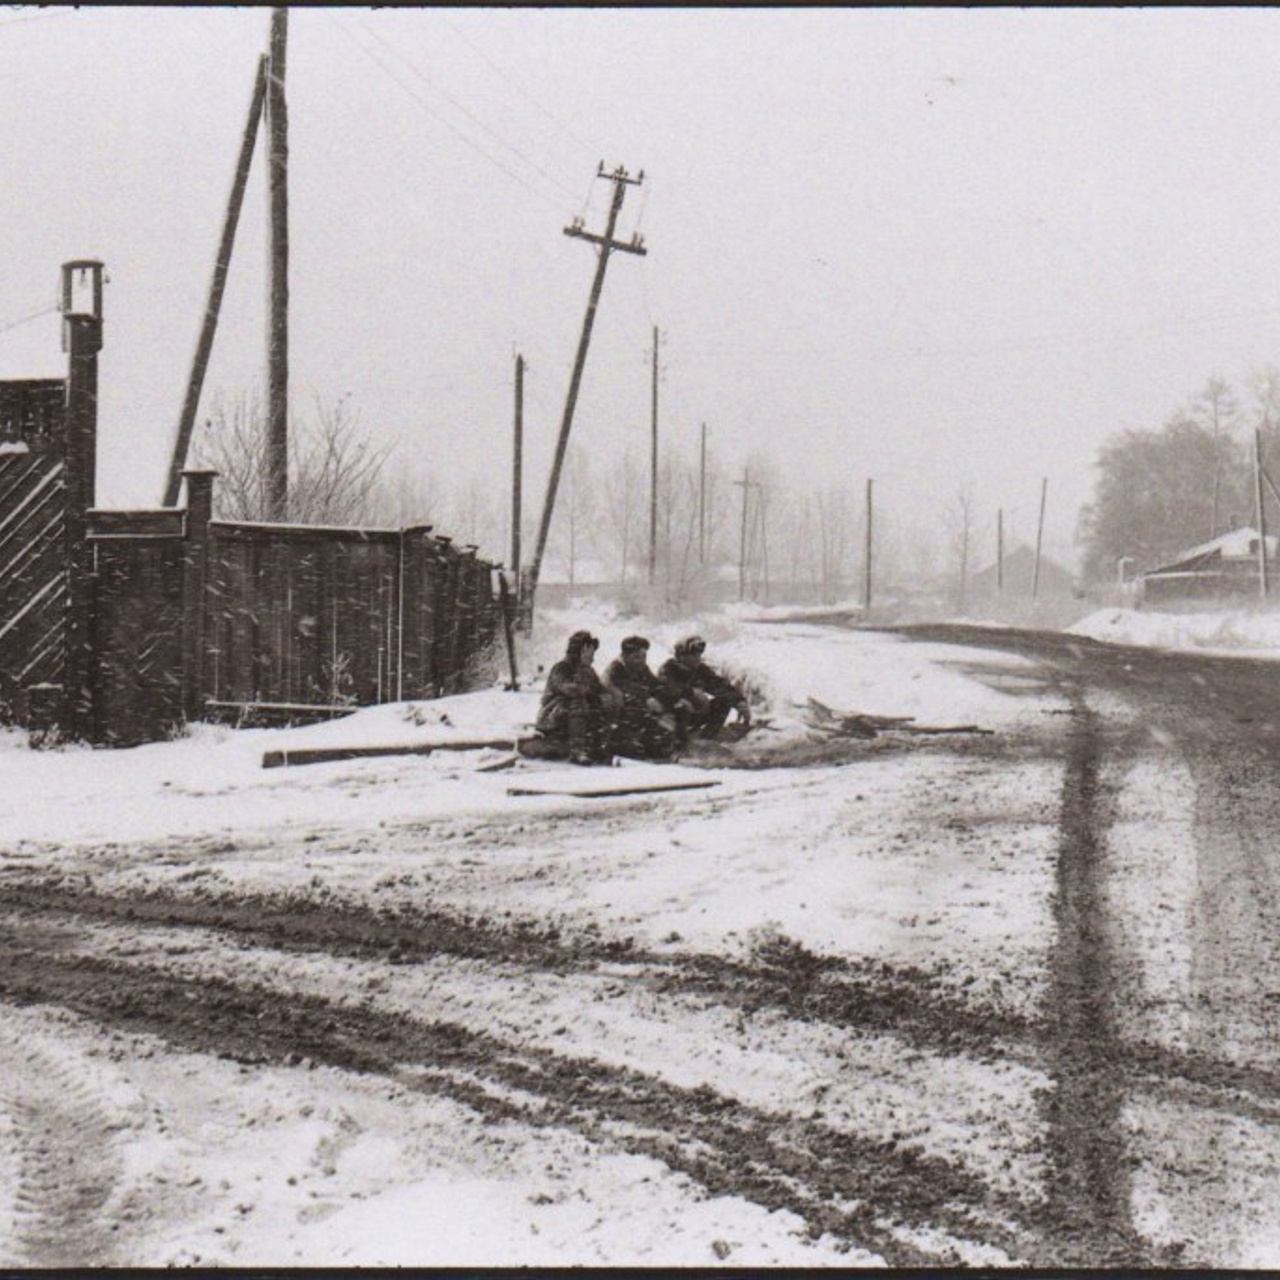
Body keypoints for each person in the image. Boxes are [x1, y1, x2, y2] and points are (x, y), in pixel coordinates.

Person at [534, 630, 615, 765]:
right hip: (552, 718)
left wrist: (605, 697)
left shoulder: (588, 670)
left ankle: (599, 745)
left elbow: (600, 690)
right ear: (579, 652)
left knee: (599, 702)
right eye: (588, 653)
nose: (592, 657)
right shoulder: (561, 668)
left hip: (573, 718)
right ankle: (577, 751)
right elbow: (574, 691)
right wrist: (583, 669)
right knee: (579, 702)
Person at [658, 635, 751, 743]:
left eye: (699, 654)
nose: (698, 658)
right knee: (682, 705)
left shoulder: (700, 670)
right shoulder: (668, 669)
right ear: (681, 656)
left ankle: (706, 739)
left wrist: (739, 701)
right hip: (672, 717)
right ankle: (680, 742)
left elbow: (720, 686)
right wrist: (691, 693)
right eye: (693, 655)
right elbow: (669, 690)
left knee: (724, 701)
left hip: (694, 714)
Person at [602, 635, 678, 759]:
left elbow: (654, 685)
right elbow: (627, 689)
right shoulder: (615, 669)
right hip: (617, 717)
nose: (641, 661)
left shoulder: (640, 667)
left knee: (663, 732)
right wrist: (648, 699)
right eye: (637, 657)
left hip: (637, 713)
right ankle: (623, 744)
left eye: (644, 656)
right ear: (625, 656)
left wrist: (667, 698)